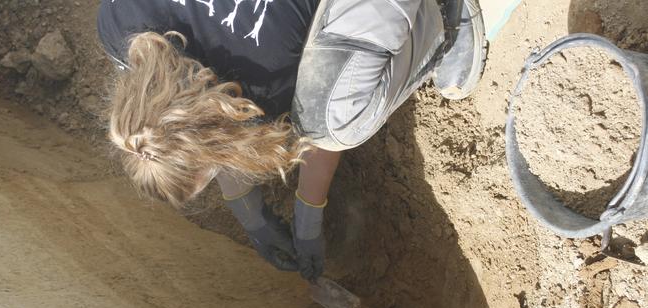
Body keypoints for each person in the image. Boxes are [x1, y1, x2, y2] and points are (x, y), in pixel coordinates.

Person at [97, 0, 486, 282]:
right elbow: (207, 134)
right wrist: (247, 210)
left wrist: (309, 216)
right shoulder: (118, 24)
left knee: (335, 119)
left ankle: (444, 16)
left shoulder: (268, 77)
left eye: (215, 169)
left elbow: (318, 134)